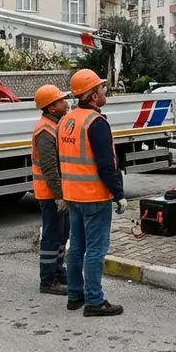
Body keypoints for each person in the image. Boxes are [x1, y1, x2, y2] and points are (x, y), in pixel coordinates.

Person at [58, 68, 126, 317]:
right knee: (96, 250)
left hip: (73, 194)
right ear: (92, 95)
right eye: (101, 88)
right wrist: (118, 194)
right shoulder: (96, 123)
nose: (104, 90)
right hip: (94, 195)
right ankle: (95, 301)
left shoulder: (67, 119)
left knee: (76, 246)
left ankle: (75, 295)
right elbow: (106, 165)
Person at [32, 84, 71, 295]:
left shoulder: (54, 125)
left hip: (56, 192)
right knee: (51, 235)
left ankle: (57, 271)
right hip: (50, 194)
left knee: (62, 233)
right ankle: (47, 280)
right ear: (51, 107)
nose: (65, 103)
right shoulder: (45, 131)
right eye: (61, 100)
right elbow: (49, 167)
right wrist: (59, 196)